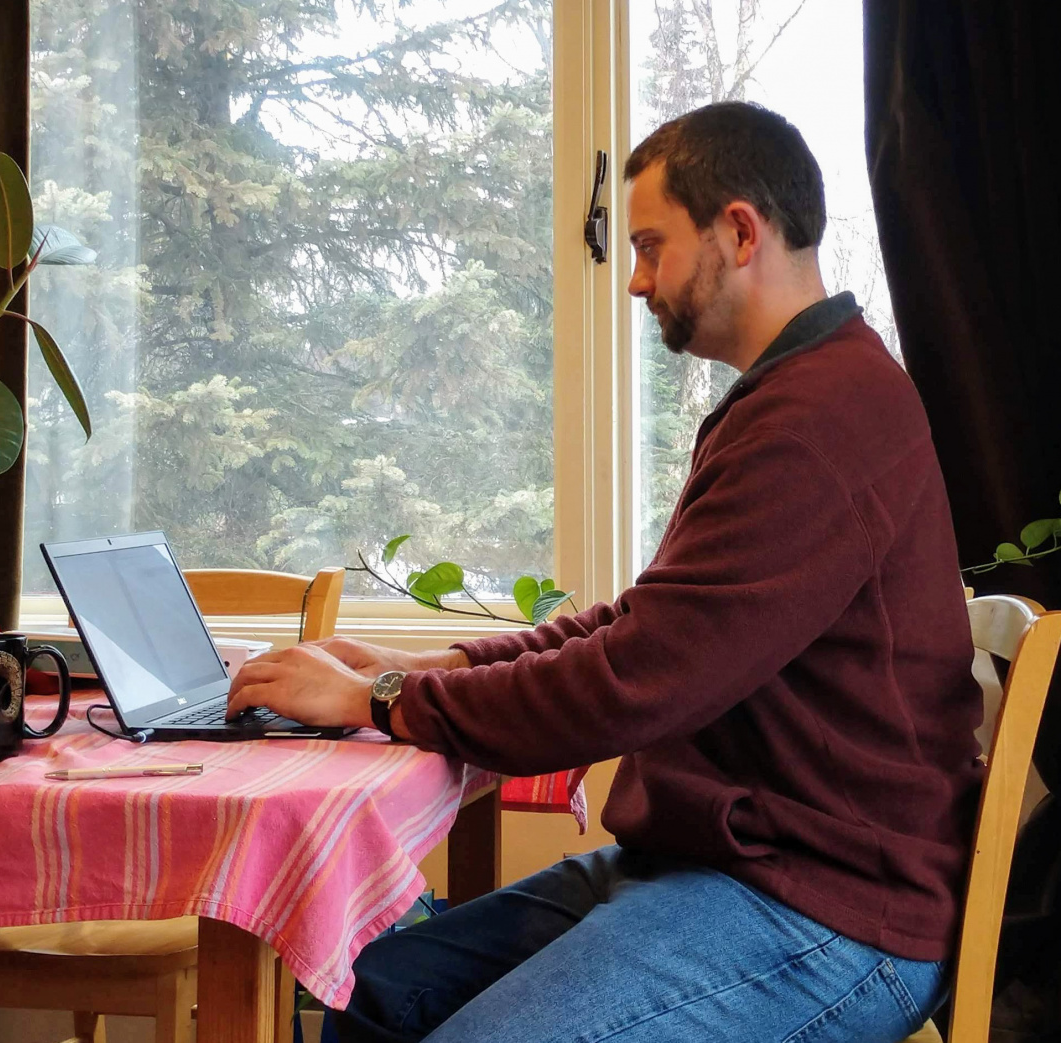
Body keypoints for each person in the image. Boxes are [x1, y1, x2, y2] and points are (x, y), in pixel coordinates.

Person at [226, 101, 983, 1043]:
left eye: (651, 245)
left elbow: (631, 682)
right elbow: (640, 628)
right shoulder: (796, 396)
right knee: (367, 990)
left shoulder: (820, 421)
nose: (634, 281)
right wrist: (423, 668)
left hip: (829, 910)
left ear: (740, 231)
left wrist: (379, 700)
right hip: (723, 864)